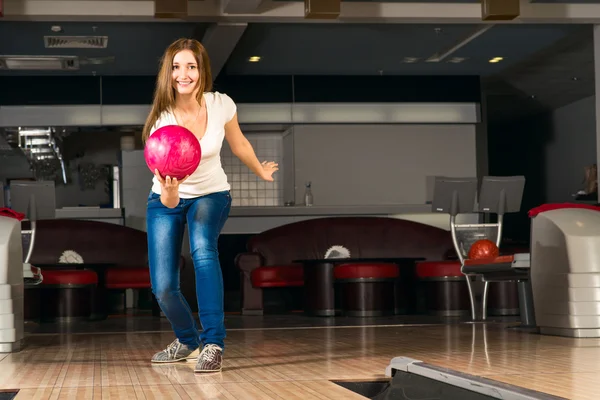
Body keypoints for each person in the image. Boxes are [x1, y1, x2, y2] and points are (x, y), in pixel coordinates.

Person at [142, 38, 278, 373]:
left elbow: (238, 141)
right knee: (162, 286)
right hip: (166, 197)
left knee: (203, 250)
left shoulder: (220, 104)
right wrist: (171, 196)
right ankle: (187, 340)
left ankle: (213, 343)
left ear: (202, 70)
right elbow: (167, 192)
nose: (183, 74)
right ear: (168, 72)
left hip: (211, 194)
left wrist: (259, 168)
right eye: (176, 67)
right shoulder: (162, 120)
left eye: (190, 66)